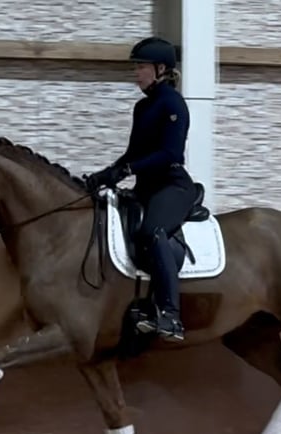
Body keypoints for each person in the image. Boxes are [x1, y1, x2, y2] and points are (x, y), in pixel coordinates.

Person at [85, 36, 196, 342]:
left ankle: (171, 315)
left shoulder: (173, 103)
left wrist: (129, 169)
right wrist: (106, 175)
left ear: (160, 69)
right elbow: (133, 154)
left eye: (141, 67)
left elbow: (170, 153)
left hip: (172, 186)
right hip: (146, 187)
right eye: (135, 67)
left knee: (152, 231)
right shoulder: (143, 107)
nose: (136, 72)